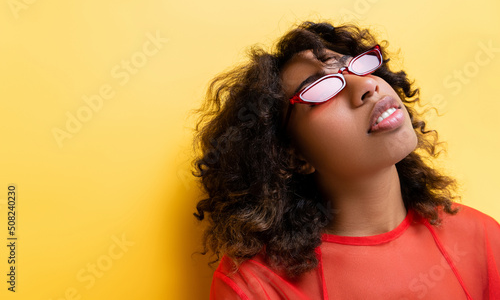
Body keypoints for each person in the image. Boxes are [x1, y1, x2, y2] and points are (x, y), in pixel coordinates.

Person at [192, 21, 500, 299]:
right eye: (322, 89)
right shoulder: (256, 286)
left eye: (357, 67)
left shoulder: (482, 240)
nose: (367, 86)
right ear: (291, 155)